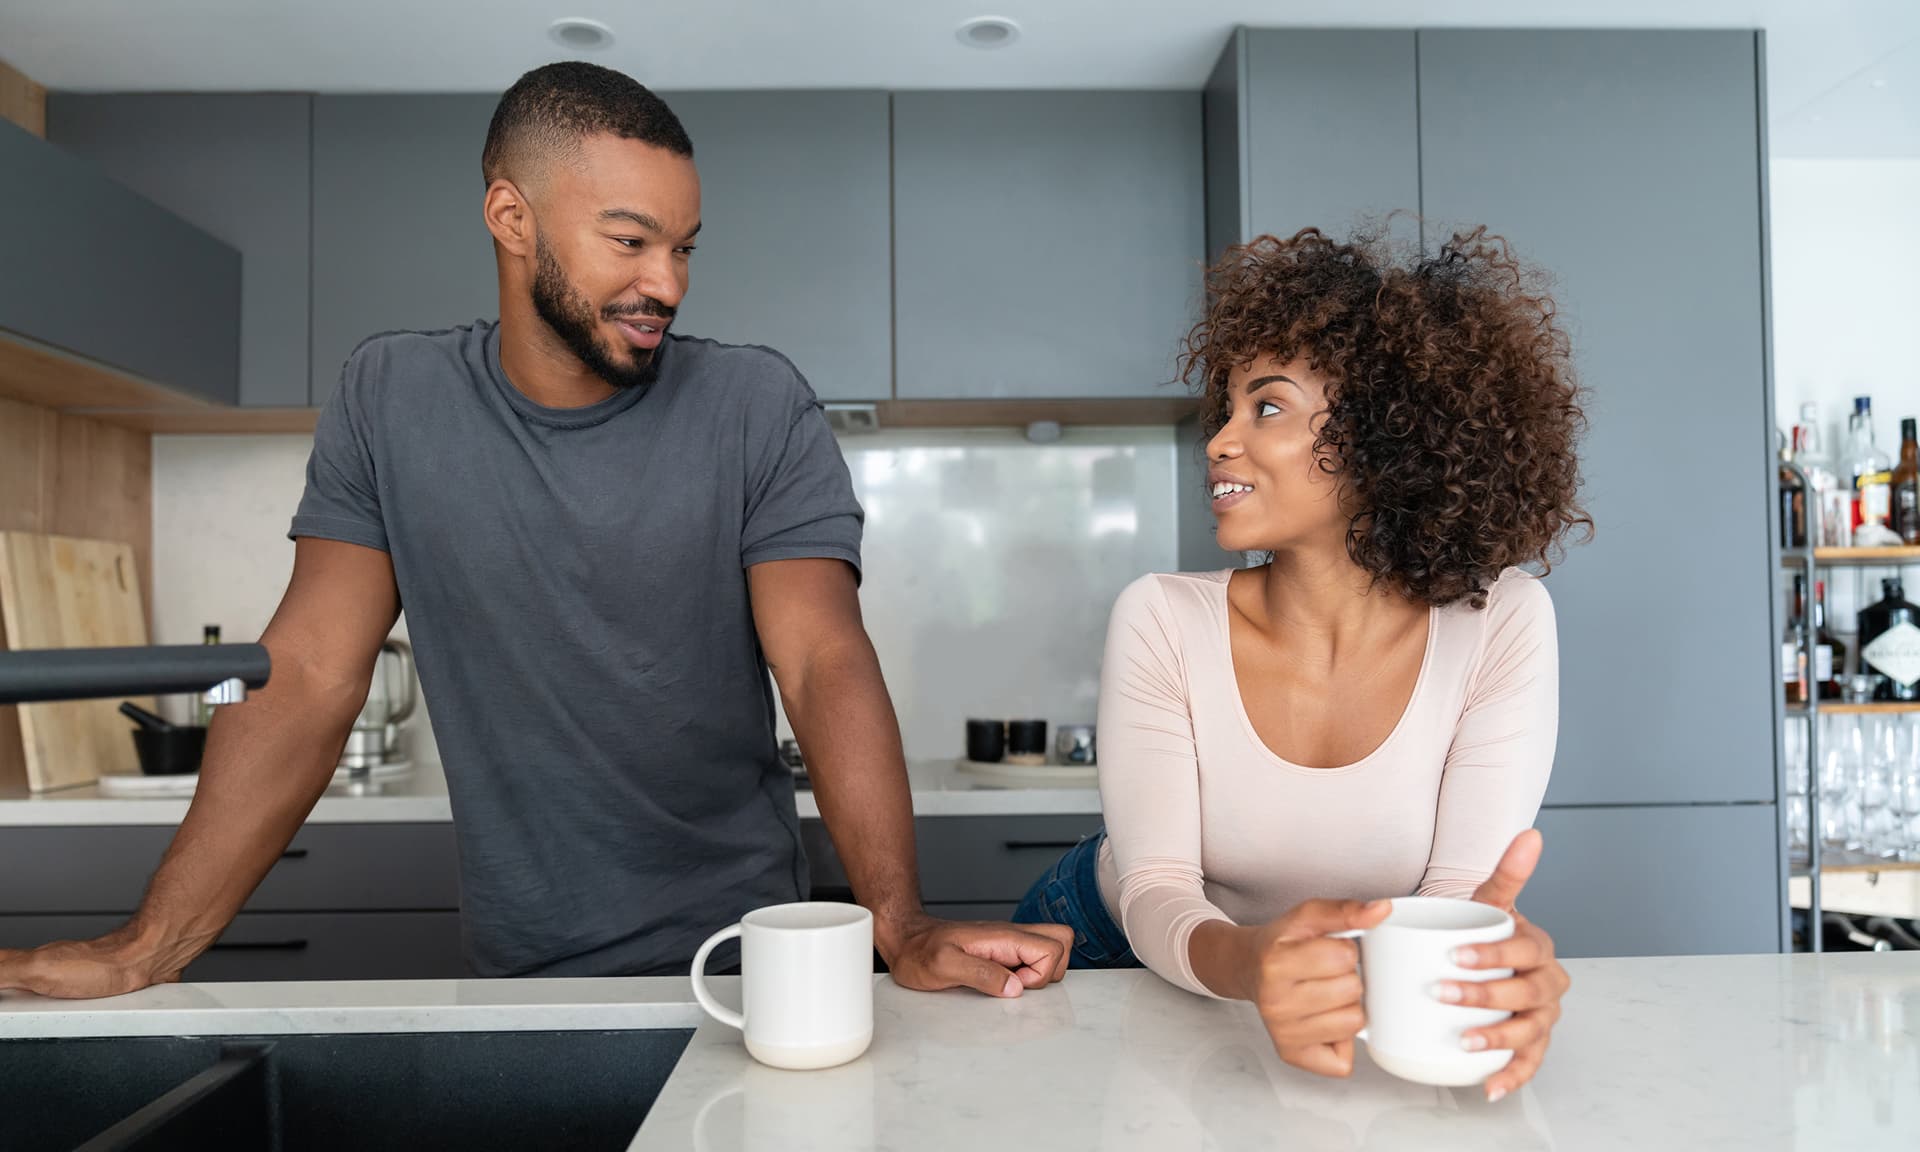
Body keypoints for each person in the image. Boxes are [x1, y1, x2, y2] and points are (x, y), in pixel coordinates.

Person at [0, 62, 1070, 999]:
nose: (668, 283)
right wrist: (148, 947)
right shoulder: (391, 397)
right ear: (511, 219)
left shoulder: (755, 405)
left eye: (685, 246)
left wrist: (902, 927)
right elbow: (313, 678)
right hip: (518, 971)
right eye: (631, 240)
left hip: (745, 966)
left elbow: (823, 659)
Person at [1013, 226, 1586, 1102]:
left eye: (1266, 406)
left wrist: (1484, 959)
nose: (1219, 441)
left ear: (1382, 436)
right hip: (1111, 936)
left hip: (1339, 974)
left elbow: (1457, 893)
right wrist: (1252, 962)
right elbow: (1157, 883)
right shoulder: (1162, 617)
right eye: (1227, 407)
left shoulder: (1501, 621)